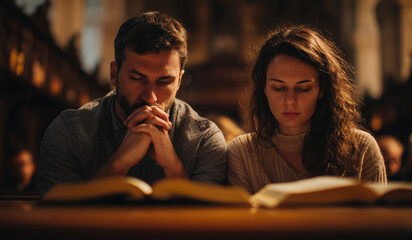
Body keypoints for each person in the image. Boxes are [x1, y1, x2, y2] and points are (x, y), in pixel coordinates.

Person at [38, 11, 227, 195]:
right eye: (137, 78)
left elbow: (203, 223)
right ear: (114, 74)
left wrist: (172, 164)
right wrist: (119, 162)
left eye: (164, 81)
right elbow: (61, 220)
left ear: (179, 81)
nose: (150, 97)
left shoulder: (205, 140)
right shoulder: (68, 132)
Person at [227, 26, 387, 194]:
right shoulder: (243, 153)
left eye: (303, 88)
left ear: (322, 89)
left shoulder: (360, 150)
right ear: (264, 89)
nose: (290, 100)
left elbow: (380, 219)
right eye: (278, 88)